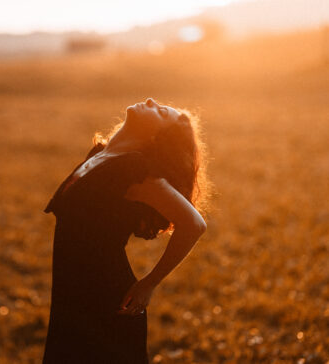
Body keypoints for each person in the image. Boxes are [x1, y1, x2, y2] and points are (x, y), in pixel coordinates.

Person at [42, 97, 209, 364]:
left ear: (159, 135)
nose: (152, 101)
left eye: (161, 111)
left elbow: (194, 224)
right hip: (72, 292)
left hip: (106, 300)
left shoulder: (136, 171)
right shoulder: (100, 154)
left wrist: (149, 283)